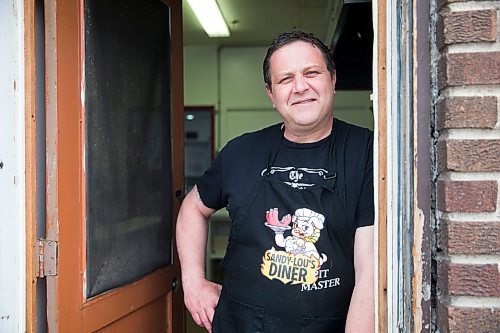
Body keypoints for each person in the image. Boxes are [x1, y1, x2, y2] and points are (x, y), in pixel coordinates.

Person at [176, 30, 374, 333]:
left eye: (311, 73)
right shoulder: (241, 152)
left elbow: (370, 272)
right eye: (285, 79)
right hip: (239, 325)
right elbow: (193, 208)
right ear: (271, 93)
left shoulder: (367, 152)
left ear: (333, 80)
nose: (300, 87)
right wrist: (192, 282)